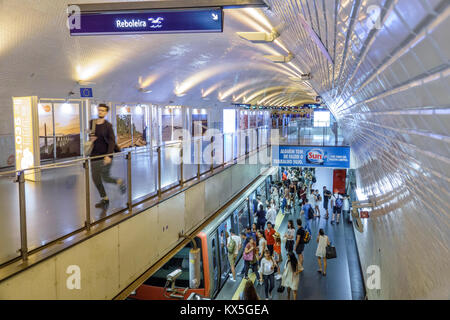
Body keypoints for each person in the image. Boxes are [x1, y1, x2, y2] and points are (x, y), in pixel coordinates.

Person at [90, 104, 126, 208]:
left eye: (103, 110)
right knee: (95, 178)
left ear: (106, 113)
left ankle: (119, 182)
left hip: (105, 155)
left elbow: (111, 141)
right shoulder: (92, 123)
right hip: (94, 155)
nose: (100, 112)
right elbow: (91, 136)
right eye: (99, 110)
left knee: (105, 178)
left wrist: (109, 156)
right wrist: (91, 138)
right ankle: (104, 198)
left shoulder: (108, 126)